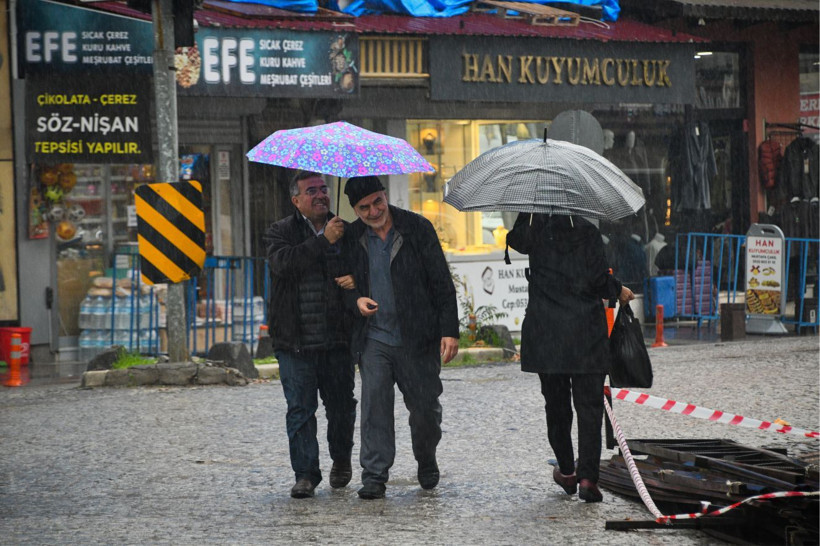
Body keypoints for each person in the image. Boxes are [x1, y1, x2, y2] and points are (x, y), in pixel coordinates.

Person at [341, 175, 459, 500]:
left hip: (417, 336)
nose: (374, 211)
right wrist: (355, 302)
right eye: (364, 208)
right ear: (355, 209)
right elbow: (338, 287)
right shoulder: (350, 238)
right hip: (374, 338)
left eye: (377, 202)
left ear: (385, 196)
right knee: (374, 407)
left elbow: (441, 282)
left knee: (425, 409)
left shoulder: (417, 229)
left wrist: (449, 329)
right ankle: (374, 476)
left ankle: (426, 456)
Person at [506, 213, 634, 503]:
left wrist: (529, 212)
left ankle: (566, 469)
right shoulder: (588, 233)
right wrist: (619, 289)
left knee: (557, 406)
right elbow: (601, 281)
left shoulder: (535, 228)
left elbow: (515, 240)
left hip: (546, 334)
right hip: (585, 333)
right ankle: (588, 477)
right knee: (589, 408)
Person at [263, 170, 357, 499]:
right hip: (295, 341)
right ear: (296, 200)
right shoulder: (281, 231)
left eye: (324, 189)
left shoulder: (346, 231)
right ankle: (305, 474)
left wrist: (354, 280)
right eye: (311, 190)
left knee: (342, 408)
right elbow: (283, 265)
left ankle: (342, 459)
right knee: (300, 410)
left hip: (336, 340)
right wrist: (322, 241)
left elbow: (360, 270)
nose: (320, 195)